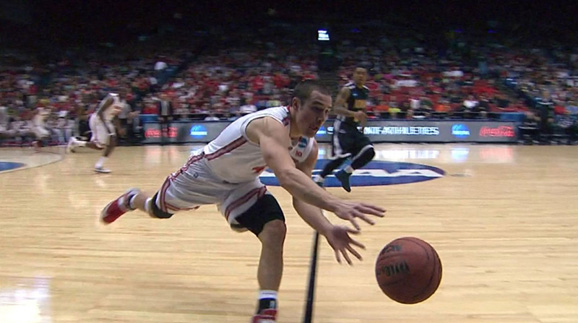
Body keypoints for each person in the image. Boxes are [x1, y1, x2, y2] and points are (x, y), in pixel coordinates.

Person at [99, 80, 385, 323]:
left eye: (325, 112)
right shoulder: (271, 124)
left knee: (275, 228)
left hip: (241, 184)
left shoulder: (307, 148)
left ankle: (266, 308)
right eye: (315, 109)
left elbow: (300, 195)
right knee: (157, 210)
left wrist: (326, 227)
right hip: (204, 173)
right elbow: (286, 176)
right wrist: (336, 204)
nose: (321, 118)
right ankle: (131, 199)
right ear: (295, 105)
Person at [313, 67, 376, 192]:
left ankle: (346, 173)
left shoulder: (365, 91)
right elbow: (336, 109)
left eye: (363, 74)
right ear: (353, 75)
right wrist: (353, 114)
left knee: (369, 151)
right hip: (342, 126)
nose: (360, 76)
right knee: (342, 156)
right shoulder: (347, 90)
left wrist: (362, 126)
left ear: (367, 76)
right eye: (358, 73)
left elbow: (362, 111)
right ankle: (318, 179)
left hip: (354, 128)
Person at [67, 93, 124, 173]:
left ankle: (77, 143)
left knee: (110, 144)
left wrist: (119, 128)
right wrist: (107, 128)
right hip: (98, 120)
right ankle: (76, 143)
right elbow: (100, 113)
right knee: (101, 145)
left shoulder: (122, 102)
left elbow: (115, 116)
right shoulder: (112, 98)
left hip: (106, 121)